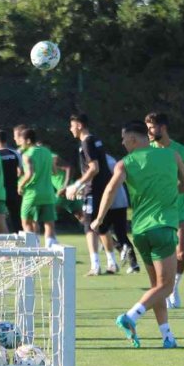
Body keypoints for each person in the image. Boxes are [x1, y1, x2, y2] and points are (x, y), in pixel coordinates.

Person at [94, 121, 184, 349]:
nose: (122, 143)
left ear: (133, 139)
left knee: (156, 286)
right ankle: (130, 316)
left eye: (123, 139)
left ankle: (167, 336)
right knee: (166, 287)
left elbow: (110, 189)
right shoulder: (171, 155)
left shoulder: (124, 163)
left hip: (139, 232)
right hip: (162, 228)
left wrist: (99, 219)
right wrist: (168, 191)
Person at [145, 112, 184, 307]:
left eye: (151, 127)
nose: (149, 132)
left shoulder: (183, 152)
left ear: (163, 128)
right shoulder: (145, 151)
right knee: (160, 257)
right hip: (155, 215)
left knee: (182, 255)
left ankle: (174, 287)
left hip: (178, 213)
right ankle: (164, 288)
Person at [64, 113, 114, 276]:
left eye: (72, 125)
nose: (70, 129)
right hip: (101, 188)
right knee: (102, 225)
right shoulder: (95, 140)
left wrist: (77, 185)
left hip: (94, 189)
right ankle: (112, 262)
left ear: (79, 125)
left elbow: (94, 168)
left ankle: (95, 265)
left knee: (89, 226)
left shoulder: (87, 142)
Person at [16, 127, 57, 246]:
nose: (20, 143)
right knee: (49, 223)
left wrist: (20, 185)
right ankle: (49, 246)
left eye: (21, 140)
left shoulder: (27, 155)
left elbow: (29, 174)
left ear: (28, 141)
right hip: (48, 194)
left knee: (26, 221)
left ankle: (34, 247)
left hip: (32, 194)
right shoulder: (47, 152)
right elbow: (54, 171)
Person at [102, 152, 140, 274]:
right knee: (120, 234)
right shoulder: (109, 159)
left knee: (99, 229)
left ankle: (120, 248)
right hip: (119, 200)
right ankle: (133, 263)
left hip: (112, 201)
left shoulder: (105, 161)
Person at [0, 129, 22, 232]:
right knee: (16, 218)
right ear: (6, 140)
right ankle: (20, 243)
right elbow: (21, 171)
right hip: (14, 191)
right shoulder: (15, 153)